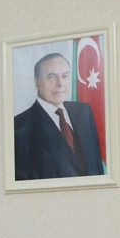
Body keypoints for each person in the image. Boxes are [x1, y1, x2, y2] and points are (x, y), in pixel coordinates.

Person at [13, 52, 103, 180]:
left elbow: (97, 167)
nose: (60, 83)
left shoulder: (84, 112)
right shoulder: (19, 127)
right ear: (37, 81)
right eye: (51, 77)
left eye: (65, 76)